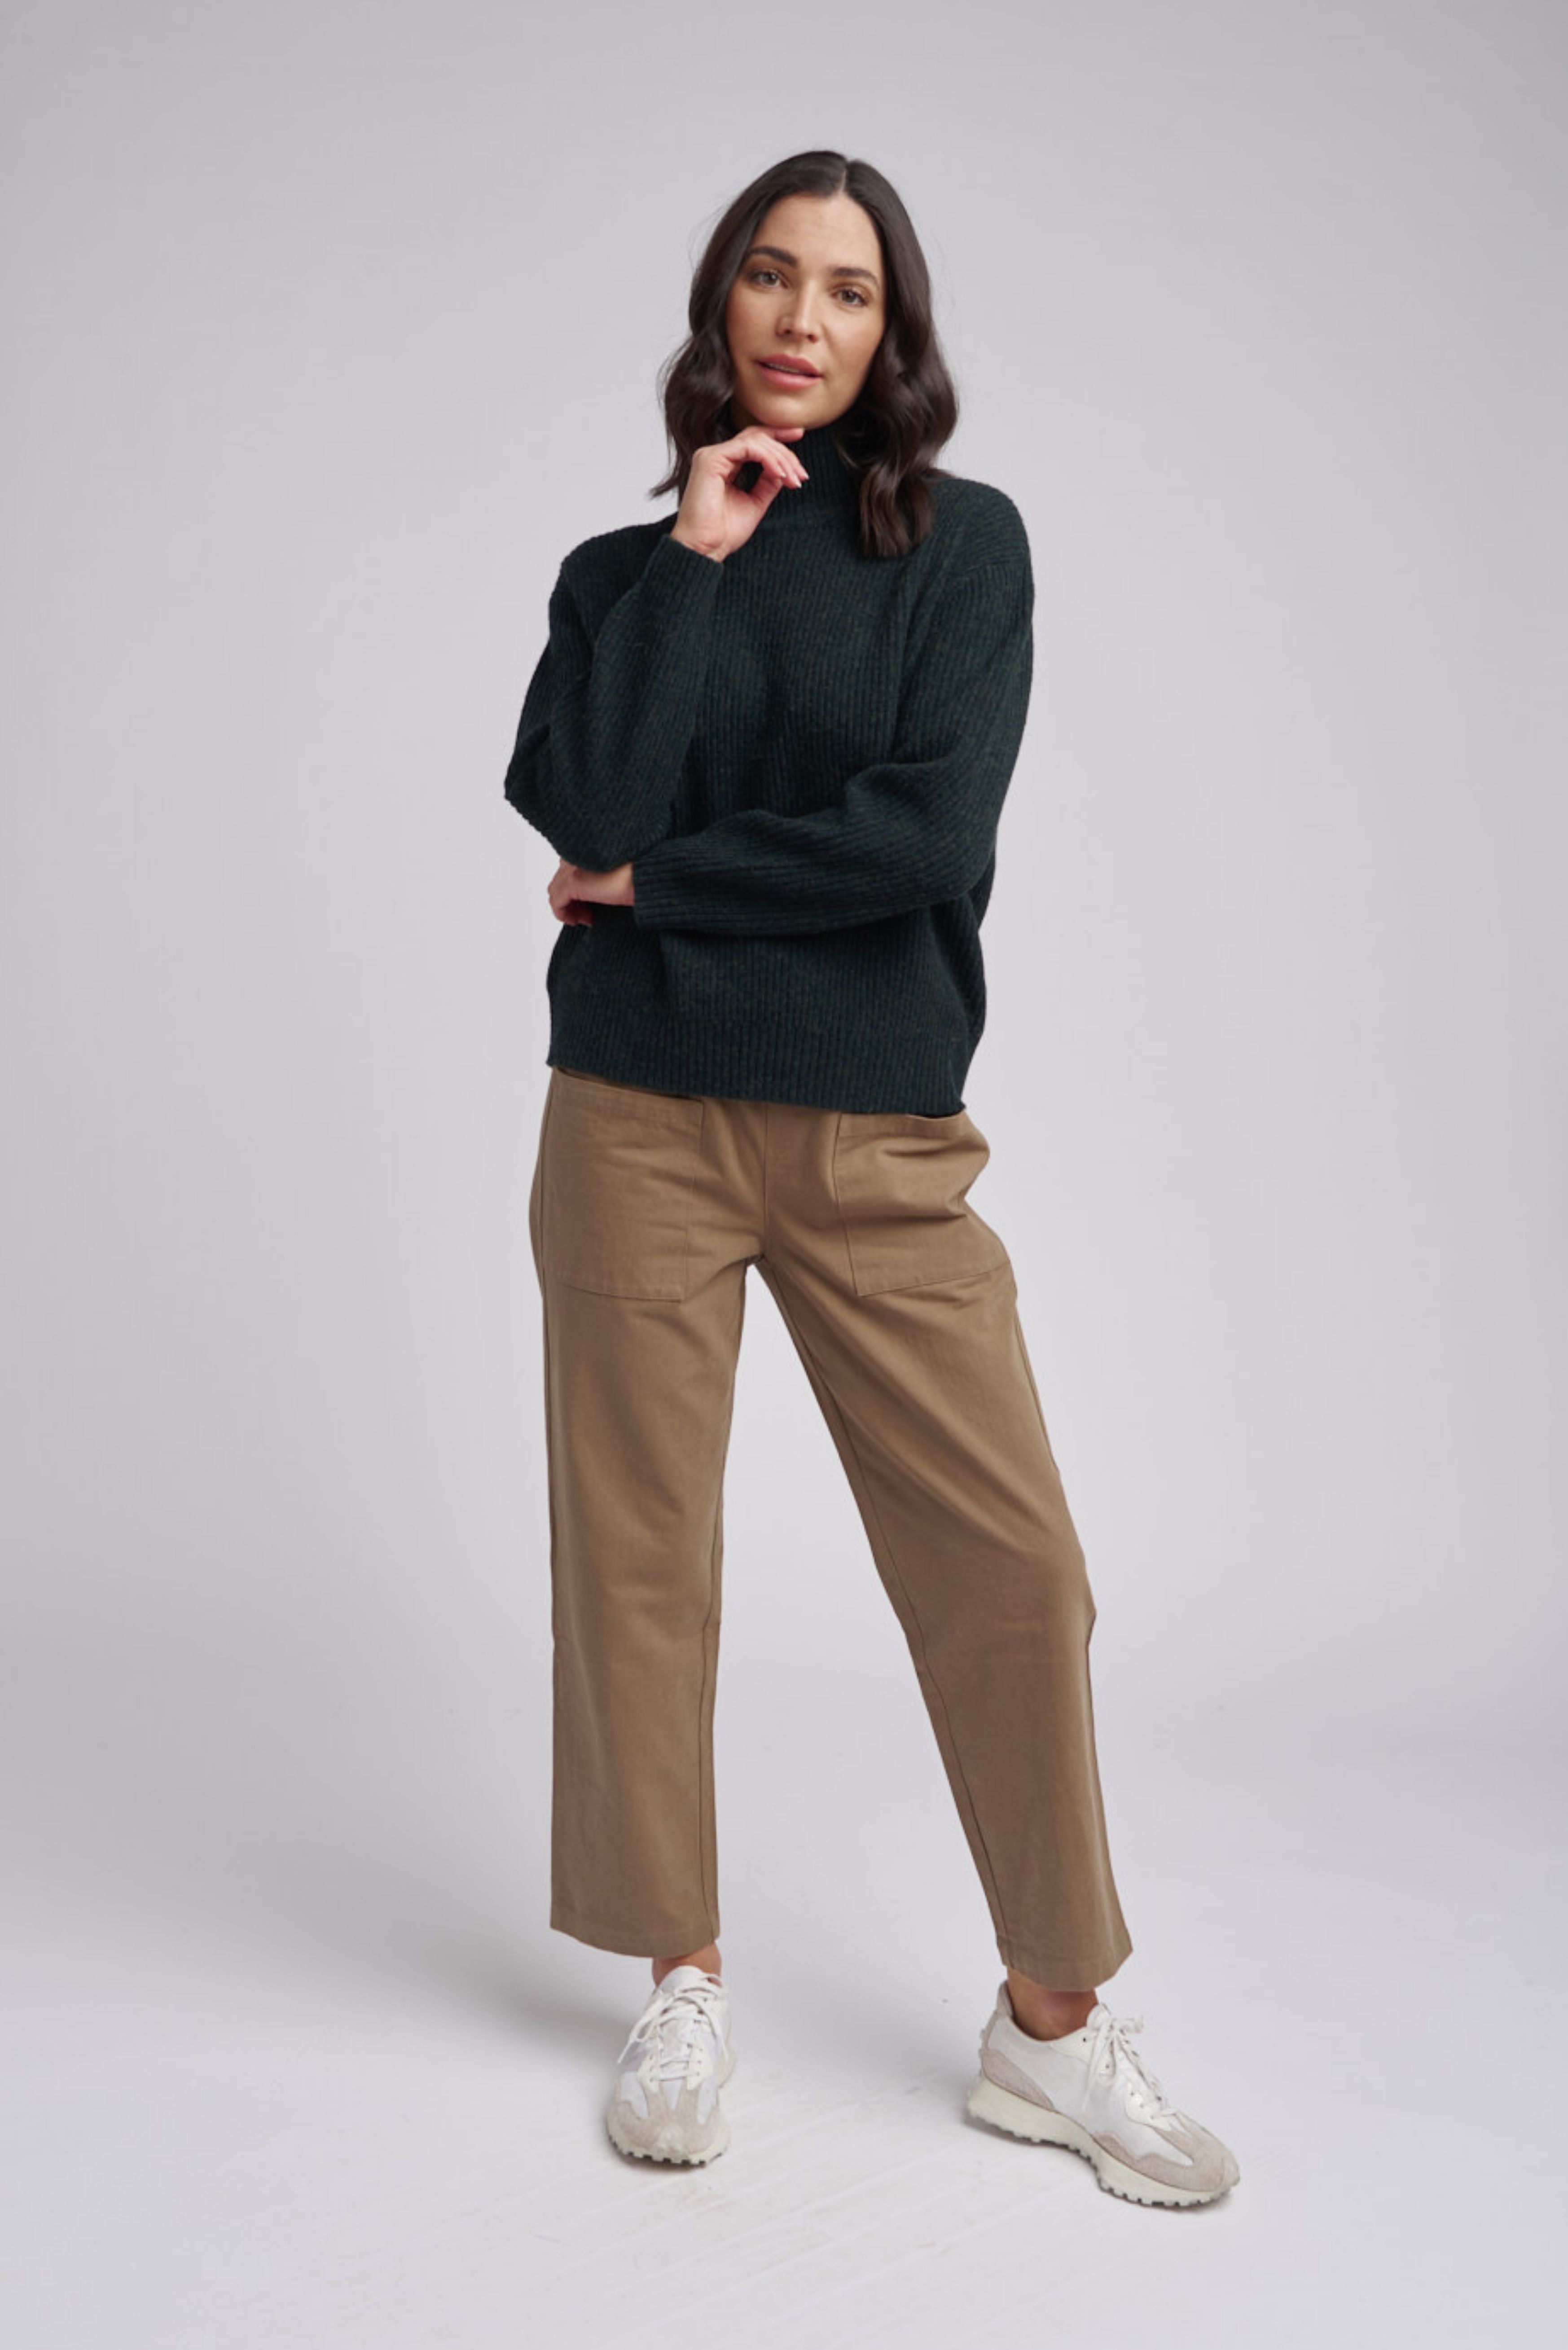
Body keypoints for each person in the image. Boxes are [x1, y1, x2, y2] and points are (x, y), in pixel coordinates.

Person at [501, 149, 1239, 2208]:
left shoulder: (961, 550)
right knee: (636, 1562)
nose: (801, 320)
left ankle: (1051, 2025)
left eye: (845, 290)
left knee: (1012, 1564)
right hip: (633, 1117)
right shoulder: (623, 571)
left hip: (875, 1130)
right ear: (719, 303)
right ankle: (679, 1978)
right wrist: (696, 555)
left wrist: (657, 885)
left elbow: (923, 835)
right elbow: (572, 792)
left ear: (890, 331)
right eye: (769, 276)